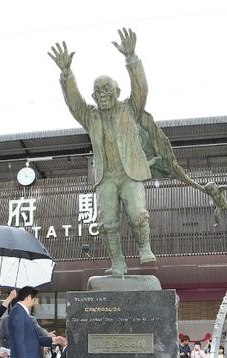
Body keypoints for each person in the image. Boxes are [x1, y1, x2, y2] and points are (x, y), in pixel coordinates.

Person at [49, 27, 156, 276]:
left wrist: (132, 58)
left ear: (117, 92)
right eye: (98, 92)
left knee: (138, 213)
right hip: (106, 176)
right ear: (94, 96)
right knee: (108, 222)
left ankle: (145, 248)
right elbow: (74, 102)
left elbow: (141, 88)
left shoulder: (130, 109)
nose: (103, 95)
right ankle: (118, 262)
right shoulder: (90, 116)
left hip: (130, 173)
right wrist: (66, 73)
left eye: (107, 90)